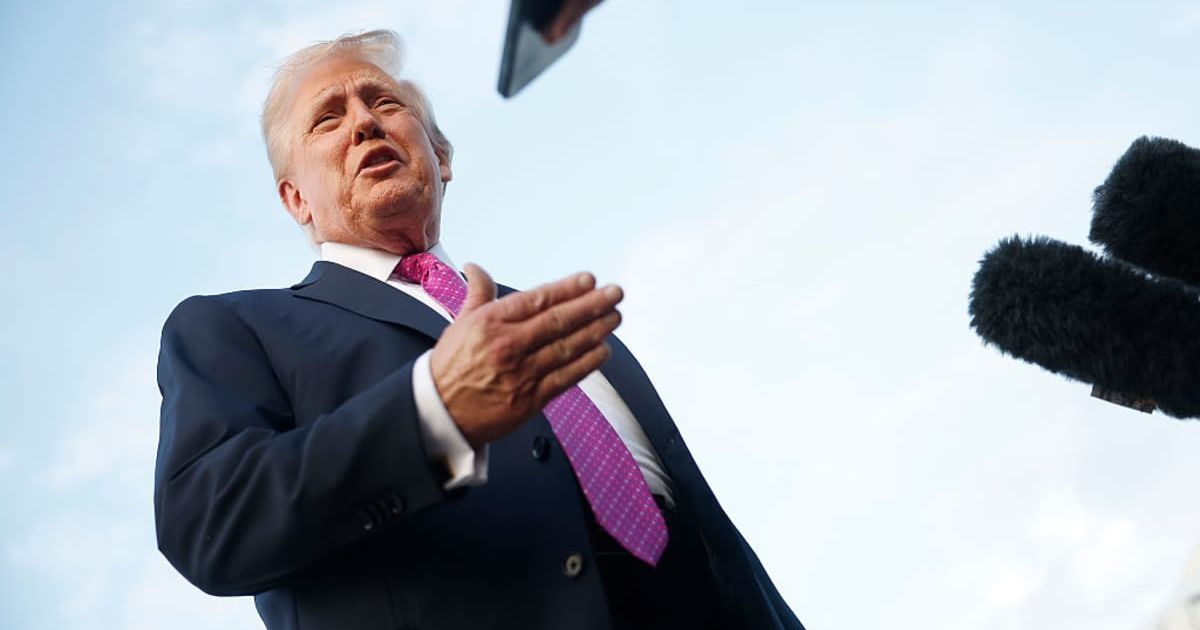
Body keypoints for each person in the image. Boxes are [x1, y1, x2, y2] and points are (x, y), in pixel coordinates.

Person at [154, 29, 803, 630]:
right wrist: (434, 413)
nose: (364, 122)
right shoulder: (235, 328)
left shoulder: (553, 325)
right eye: (329, 117)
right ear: (295, 198)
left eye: (383, 101)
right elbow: (211, 519)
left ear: (439, 156)